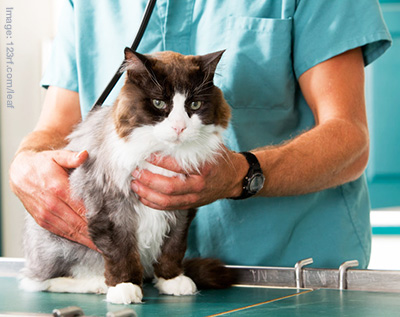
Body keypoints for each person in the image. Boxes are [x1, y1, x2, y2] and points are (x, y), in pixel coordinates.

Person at [9, 0, 391, 269]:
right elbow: (56, 130)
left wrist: (241, 175)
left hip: (291, 272)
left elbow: (350, 138)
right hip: (144, 280)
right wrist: (25, 164)